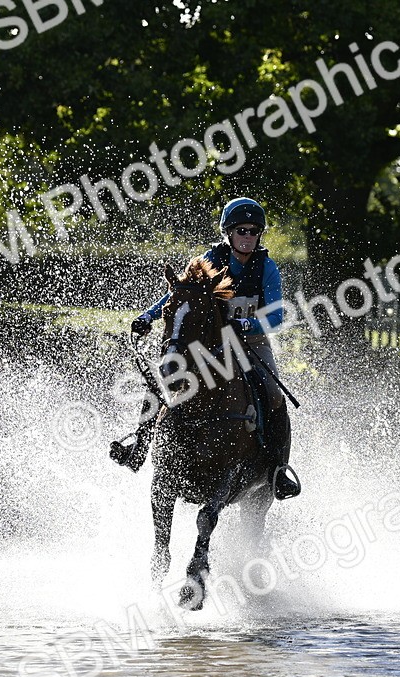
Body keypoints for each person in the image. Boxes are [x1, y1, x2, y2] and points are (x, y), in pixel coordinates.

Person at [109, 197, 301, 500]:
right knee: (166, 382)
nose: (248, 237)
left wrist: (247, 326)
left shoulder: (267, 267)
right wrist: (149, 315)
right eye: (242, 230)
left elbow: (276, 315)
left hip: (252, 342)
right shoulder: (210, 260)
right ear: (228, 232)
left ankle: (277, 470)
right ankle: (140, 443)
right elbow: (178, 296)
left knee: (274, 395)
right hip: (213, 342)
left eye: (254, 231)